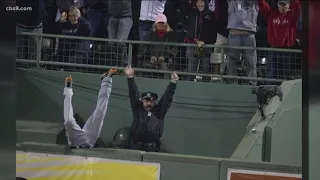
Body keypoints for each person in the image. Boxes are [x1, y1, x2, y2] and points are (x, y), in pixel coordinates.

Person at [124, 65, 178, 152]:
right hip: (136, 147)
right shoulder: (138, 108)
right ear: (142, 100)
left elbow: (167, 98)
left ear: (154, 101)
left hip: (152, 148)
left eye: (151, 101)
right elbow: (133, 93)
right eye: (146, 100)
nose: (148, 103)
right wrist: (130, 78)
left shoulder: (159, 111)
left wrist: (173, 83)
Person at [63, 69, 117, 148]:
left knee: (100, 112)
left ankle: (107, 79)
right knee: (68, 121)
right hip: (76, 141)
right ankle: (68, 88)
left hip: (88, 142)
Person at [259, 0, 301, 80]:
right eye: (281, 4)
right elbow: (262, 3)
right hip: (273, 49)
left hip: (288, 50)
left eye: (285, 4)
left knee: (287, 75)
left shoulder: (293, 15)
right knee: (271, 75)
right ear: (277, 4)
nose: (283, 6)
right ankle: (270, 91)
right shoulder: (271, 14)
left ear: (289, 5)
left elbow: (297, 4)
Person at [226, 0, 259, 85]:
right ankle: (232, 86)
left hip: (248, 34)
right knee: (232, 62)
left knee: (250, 62)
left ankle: (251, 88)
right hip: (235, 33)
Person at [184, 0, 217, 81]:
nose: (200, 4)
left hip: (206, 45)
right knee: (191, 70)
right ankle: (190, 85)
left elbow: (213, 31)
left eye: (202, 2)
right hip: (191, 44)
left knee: (206, 69)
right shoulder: (191, 12)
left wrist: (203, 40)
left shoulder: (211, 14)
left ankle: (206, 88)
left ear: (205, 3)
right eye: (198, 2)